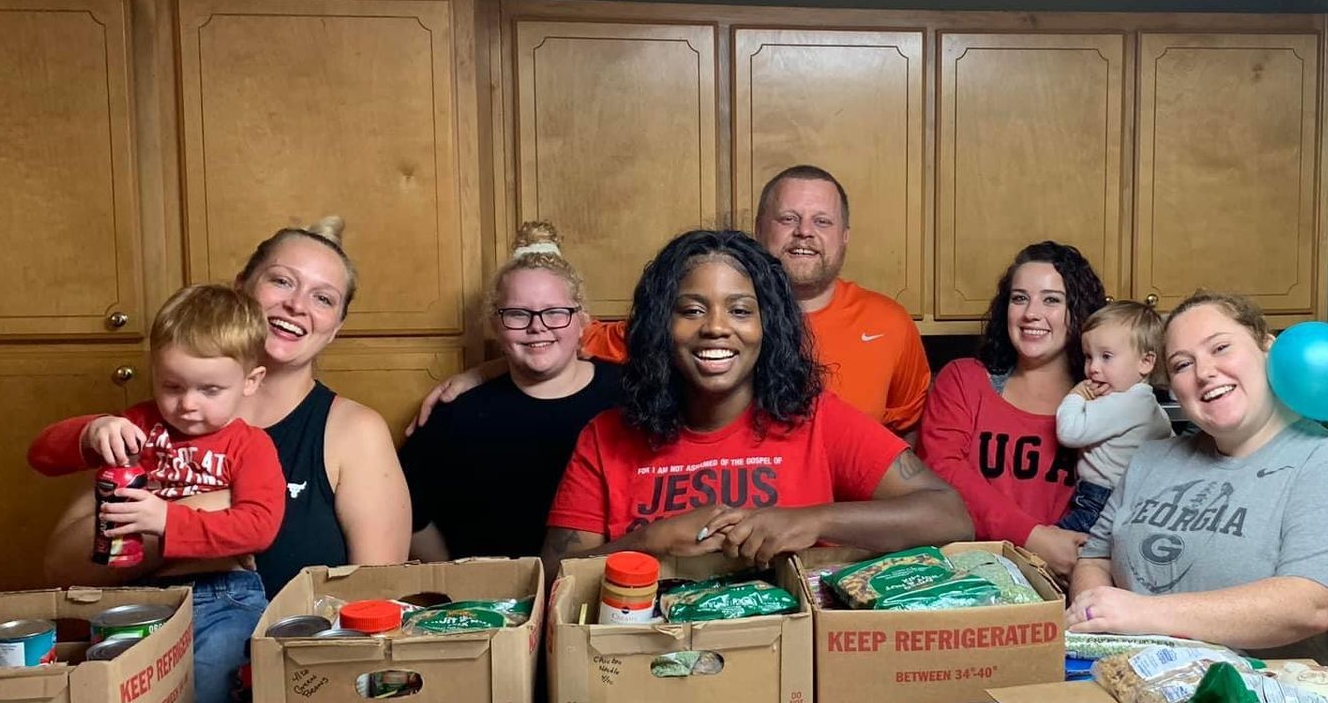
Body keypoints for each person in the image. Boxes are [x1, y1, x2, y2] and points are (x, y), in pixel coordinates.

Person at [541, 228, 970, 575]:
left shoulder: (816, 419)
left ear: (769, 328)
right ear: (660, 326)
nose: (716, 328)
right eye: (691, 310)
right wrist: (649, 543)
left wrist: (812, 520)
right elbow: (554, 576)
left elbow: (950, 515)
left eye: (741, 311)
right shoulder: (605, 437)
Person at [45, 217, 411, 603]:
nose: (296, 305)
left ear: (335, 327)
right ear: (241, 287)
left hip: (292, 658)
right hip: (155, 649)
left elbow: (377, 600)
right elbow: (62, 569)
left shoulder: (356, 432)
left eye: (323, 298)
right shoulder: (160, 418)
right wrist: (205, 509)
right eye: (281, 281)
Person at [414, 166, 931, 435]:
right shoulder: (687, 323)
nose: (803, 233)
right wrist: (482, 375)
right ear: (757, 229)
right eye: (787, 218)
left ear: (844, 236)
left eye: (822, 221)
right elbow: (555, 335)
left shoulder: (889, 322)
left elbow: (906, 430)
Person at [1066, 291, 1328, 671]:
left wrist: (1140, 614)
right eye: (1182, 364)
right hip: (1134, 697)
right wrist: (1096, 620)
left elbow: (1311, 604)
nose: (1204, 372)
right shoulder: (1151, 458)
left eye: (1221, 348)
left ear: (1268, 348)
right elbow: (1095, 557)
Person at [27, 284, 284, 703]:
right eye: (172, 386)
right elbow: (41, 456)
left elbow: (259, 526)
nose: (187, 404)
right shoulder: (140, 427)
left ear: (250, 381)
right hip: (133, 596)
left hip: (223, 596)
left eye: (210, 390)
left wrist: (168, 520)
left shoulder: (251, 446)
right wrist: (92, 430)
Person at [402, 224, 622, 560]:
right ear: (496, 325)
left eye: (555, 313)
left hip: (607, 597)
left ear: (582, 323)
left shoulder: (633, 394)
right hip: (494, 602)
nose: (538, 326)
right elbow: (410, 508)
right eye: (518, 314)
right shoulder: (457, 414)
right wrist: (450, 583)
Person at [919, 242, 1107, 578]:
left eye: (1052, 300)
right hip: (966, 579)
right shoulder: (964, 380)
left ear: (1078, 311)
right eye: (1020, 298)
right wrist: (1034, 538)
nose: (1030, 313)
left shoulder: (1107, 402)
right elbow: (942, 473)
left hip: (1067, 583)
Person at [1054, 300, 1173, 534]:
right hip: (1131, 499)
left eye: (1106, 356)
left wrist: (1076, 395)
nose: (1093, 368)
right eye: (1089, 356)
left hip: (1100, 498)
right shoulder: (1146, 402)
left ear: (1146, 362)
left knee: (1050, 549)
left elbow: (1068, 432)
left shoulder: (1123, 403)